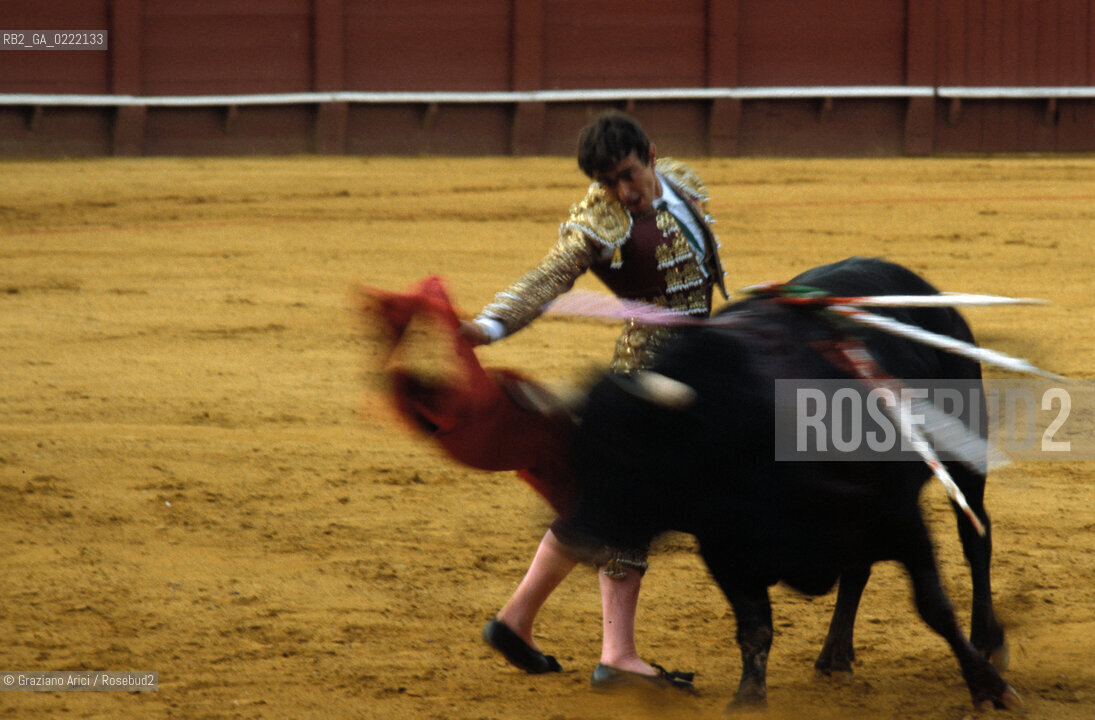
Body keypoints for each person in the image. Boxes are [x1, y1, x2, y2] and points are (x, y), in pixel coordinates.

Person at [460, 110, 728, 690]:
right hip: (646, 380)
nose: (622, 192)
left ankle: (516, 620)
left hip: (693, 367)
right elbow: (550, 276)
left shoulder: (683, 182)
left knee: (600, 506)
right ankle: (617, 653)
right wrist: (488, 324)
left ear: (651, 156)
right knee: (631, 506)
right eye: (610, 182)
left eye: (628, 175)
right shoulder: (600, 218)